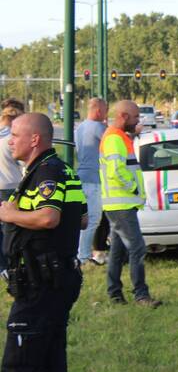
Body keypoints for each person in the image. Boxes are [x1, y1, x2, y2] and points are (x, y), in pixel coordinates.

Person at [0, 113, 85, 372]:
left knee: (18, 370)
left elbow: (49, 218)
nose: (11, 140)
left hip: (39, 286)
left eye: (16, 135)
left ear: (35, 139)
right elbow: (79, 218)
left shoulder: (47, 173)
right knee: (50, 367)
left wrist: (11, 213)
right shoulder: (62, 171)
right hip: (54, 282)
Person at [99, 100, 160, 308]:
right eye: (135, 117)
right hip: (121, 205)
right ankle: (141, 295)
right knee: (137, 248)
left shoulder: (118, 137)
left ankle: (115, 294)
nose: (138, 121)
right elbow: (116, 171)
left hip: (119, 204)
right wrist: (134, 188)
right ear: (123, 117)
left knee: (117, 251)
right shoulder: (115, 139)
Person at [73, 98, 107, 266]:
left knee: (84, 219)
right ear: (99, 111)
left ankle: (80, 253)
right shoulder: (99, 127)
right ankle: (83, 256)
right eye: (106, 111)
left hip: (82, 177)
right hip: (94, 179)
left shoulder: (80, 128)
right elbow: (113, 142)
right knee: (93, 219)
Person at [0, 100, 26, 274]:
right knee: (12, 229)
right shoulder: (12, 139)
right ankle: (12, 265)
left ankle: (2, 266)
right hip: (12, 186)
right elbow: (25, 164)